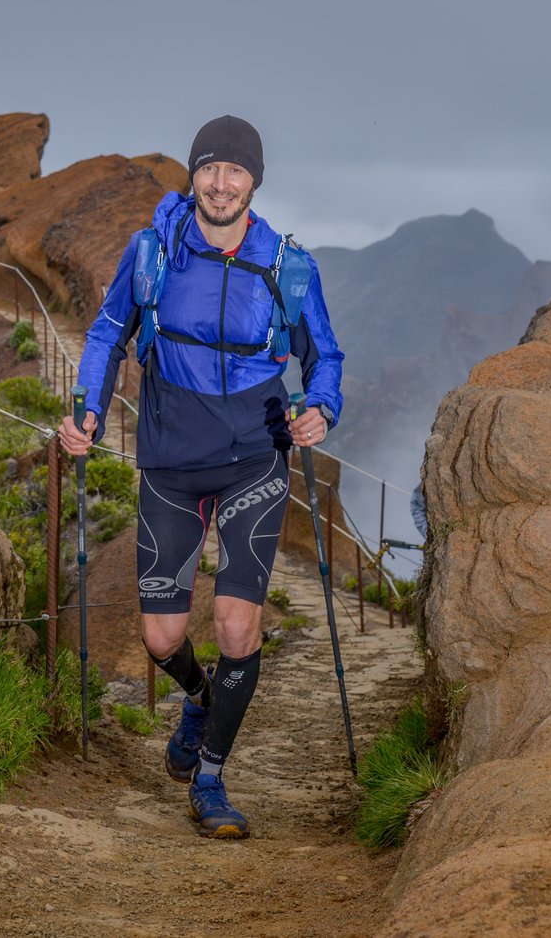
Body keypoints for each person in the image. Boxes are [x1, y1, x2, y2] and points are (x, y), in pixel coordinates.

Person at [58, 115, 343, 839]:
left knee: (237, 623)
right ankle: (197, 696)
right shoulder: (152, 250)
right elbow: (106, 332)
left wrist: (323, 410)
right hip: (171, 459)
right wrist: (86, 409)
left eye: (235, 171)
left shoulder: (286, 264)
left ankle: (210, 777)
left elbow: (326, 357)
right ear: (195, 176)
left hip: (255, 455)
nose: (221, 183)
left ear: (254, 181)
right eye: (210, 169)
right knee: (162, 637)